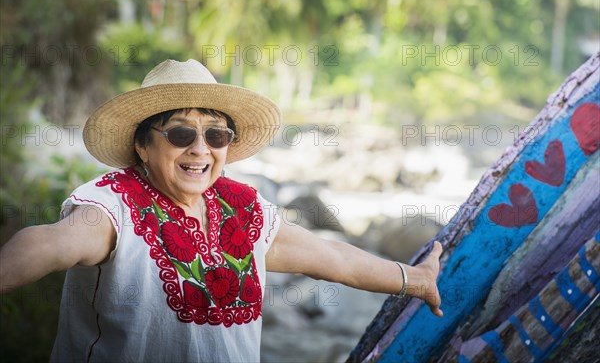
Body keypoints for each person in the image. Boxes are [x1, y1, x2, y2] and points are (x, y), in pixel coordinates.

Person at [0, 59, 443, 362]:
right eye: (179, 134)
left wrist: (415, 279)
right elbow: (48, 243)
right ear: (142, 144)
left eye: (216, 136)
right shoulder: (113, 204)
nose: (200, 149)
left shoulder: (243, 209)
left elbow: (336, 259)